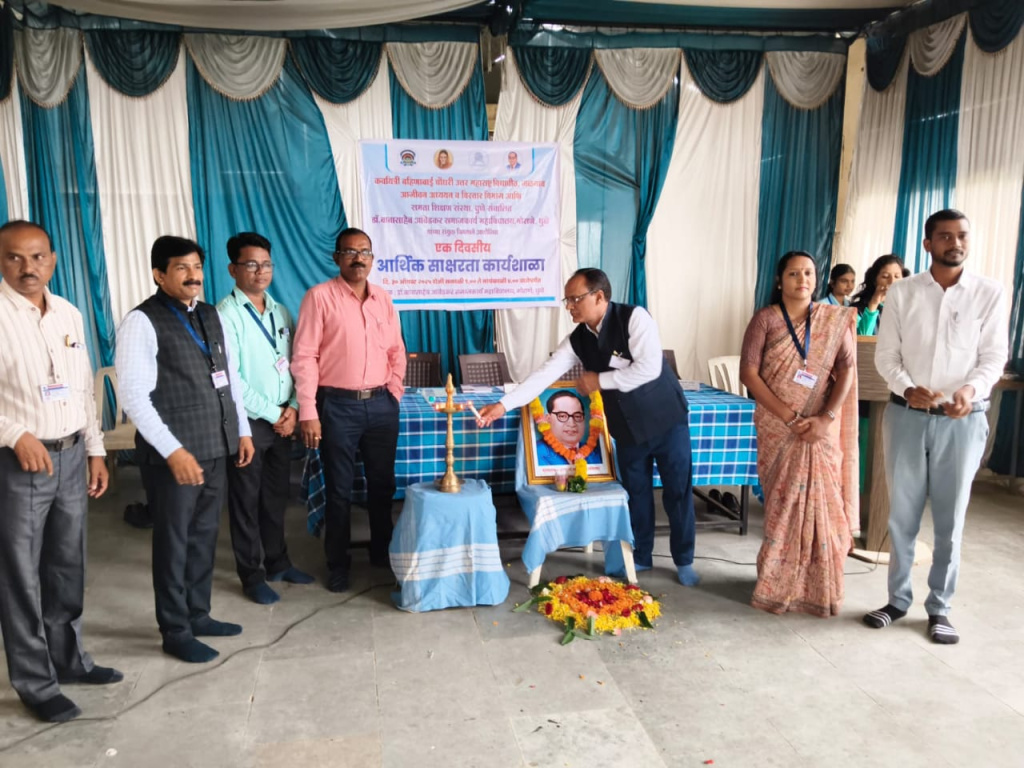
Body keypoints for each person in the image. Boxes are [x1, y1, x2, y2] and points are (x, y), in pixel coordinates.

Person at [478, 268, 700, 586]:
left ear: (599, 296)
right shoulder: (579, 339)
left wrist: (599, 380)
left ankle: (684, 560)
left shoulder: (634, 319)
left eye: (575, 299)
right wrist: (503, 405)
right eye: (567, 300)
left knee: (677, 493)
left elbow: (649, 368)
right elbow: (544, 375)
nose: (569, 306)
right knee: (636, 495)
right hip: (628, 430)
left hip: (667, 421)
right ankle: (641, 556)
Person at [865, 209, 1007, 644]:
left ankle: (940, 609)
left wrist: (970, 390)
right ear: (927, 244)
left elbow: (994, 356)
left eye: (961, 235)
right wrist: (907, 388)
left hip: (963, 421)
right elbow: (886, 355)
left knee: (950, 521)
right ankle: (897, 601)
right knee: (902, 517)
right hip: (907, 417)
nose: (955, 243)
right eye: (944, 236)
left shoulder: (989, 293)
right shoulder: (903, 292)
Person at [0, 220, 121, 723]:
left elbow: (81, 390)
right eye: (14, 257)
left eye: (37, 257)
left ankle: (69, 660)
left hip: (72, 455)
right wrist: (14, 433)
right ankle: (35, 682)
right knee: (21, 574)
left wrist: (95, 449)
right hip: (21, 462)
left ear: (52, 259)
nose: (28, 267)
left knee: (67, 564)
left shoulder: (68, 312)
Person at [117, 236, 254, 664]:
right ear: (159, 275)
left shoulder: (210, 314)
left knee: (204, 537)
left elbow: (229, 378)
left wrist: (243, 431)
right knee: (173, 543)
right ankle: (174, 630)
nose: (193, 275)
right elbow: (134, 397)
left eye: (196, 267)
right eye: (181, 268)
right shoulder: (142, 321)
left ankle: (199, 614)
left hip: (215, 447)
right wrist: (172, 451)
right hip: (172, 457)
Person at [739, 251, 859, 617]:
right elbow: (748, 373)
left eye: (808, 272)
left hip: (820, 430)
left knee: (824, 508)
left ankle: (819, 591)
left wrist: (826, 418)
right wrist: (789, 417)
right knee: (782, 508)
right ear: (780, 281)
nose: (802, 279)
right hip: (779, 427)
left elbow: (847, 369)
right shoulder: (765, 320)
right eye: (793, 273)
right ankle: (776, 586)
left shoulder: (832, 320)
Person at [291, 228, 406, 593]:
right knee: (339, 490)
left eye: (365, 252)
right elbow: (305, 356)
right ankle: (338, 563)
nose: (359, 258)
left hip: (381, 405)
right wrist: (308, 410)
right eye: (351, 252)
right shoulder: (319, 297)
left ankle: (381, 552)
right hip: (337, 407)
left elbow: (396, 351)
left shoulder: (383, 299)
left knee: (383, 486)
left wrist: (394, 392)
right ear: (336, 257)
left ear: (372, 258)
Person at [217, 233, 312, 605]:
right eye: (252, 264)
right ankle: (251, 574)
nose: (261, 271)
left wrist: (294, 408)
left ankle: (278, 562)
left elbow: (296, 364)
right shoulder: (225, 315)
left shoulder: (280, 311)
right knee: (246, 500)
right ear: (233, 269)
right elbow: (233, 379)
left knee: (275, 496)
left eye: (267, 264)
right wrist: (276, 414)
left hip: (283, 419)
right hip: (250, 424)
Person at [534, 390, 603, 466]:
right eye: (562, 416)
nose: (571, 423)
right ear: (548, 419)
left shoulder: (600, 452)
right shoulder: (537, 452)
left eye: (577, 416)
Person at [851, 254, 909, 335]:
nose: (892, 281)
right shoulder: (856, 310)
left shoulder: (908, 308)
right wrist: (873, 304)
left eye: (897, 276)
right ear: (874, 280)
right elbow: (862, 338)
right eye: (885, 276)